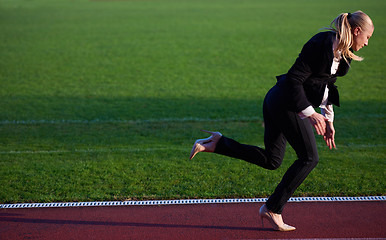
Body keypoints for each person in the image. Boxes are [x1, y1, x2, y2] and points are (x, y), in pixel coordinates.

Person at [189, 11, 374, 231]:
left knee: (272, 160)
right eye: (368, 37)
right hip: (283, 102)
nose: (367, 43)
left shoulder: (343, 56)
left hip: (284, 103)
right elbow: (294, 80)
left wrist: (328, 118)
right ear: (356, 31)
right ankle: (273, 208)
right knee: (309, 158)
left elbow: (325, 87)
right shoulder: (319, 44)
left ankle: (218, 143)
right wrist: (311, 113)